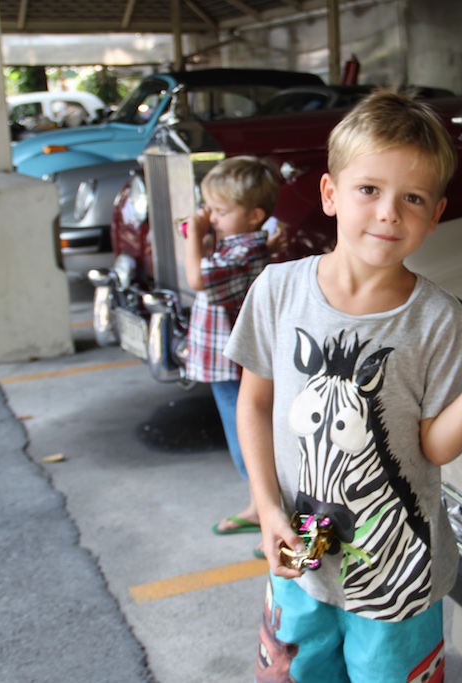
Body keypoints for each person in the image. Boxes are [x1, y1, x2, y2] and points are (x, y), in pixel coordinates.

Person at [225, 90, 462, 682]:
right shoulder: (278, 292)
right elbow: (255, 403)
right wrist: (266, 509)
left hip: (402, 578)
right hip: (299, 565)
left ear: (436, 214)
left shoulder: (438, 320)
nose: (390, 212)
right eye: (369, 189)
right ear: (330, 194)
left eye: (412, 198)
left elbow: (434, 447)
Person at [182, 155, 279, 538]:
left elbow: (196, 278)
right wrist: (203, 231)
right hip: (221, 361)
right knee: (242, 435)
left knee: (247, 439)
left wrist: (195, 236)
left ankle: (268, 511)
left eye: (221, 211)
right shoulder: (238, 242)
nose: (212, 218)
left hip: (233, 364)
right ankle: (259, 507)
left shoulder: (244, 251)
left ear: (254, 215)